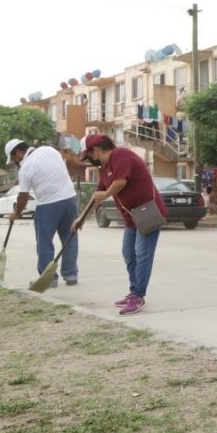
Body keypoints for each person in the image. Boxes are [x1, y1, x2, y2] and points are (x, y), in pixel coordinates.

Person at [72, 134, 167, 315]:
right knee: (128, 253)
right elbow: (97, 195)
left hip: (147, 212)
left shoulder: (121, 155)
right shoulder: (105, 167)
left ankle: (138, 296)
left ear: (96, 150)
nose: (90, 160)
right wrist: (81, 219)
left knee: (142, 254)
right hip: (131, 217)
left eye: (89, 155)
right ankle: (134, 291)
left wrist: (106, 193)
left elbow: (120, 182)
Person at [5, 139, 81, 287]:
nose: (15, 162)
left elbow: (23, 197)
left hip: (48, 205)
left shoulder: (26, 168)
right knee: (69, 238)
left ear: (19, 152)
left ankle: (49, 279)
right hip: (70, 200)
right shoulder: (50, 150)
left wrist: (16, 213)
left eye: (14, 158)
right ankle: (71, 274)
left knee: (44, 241)